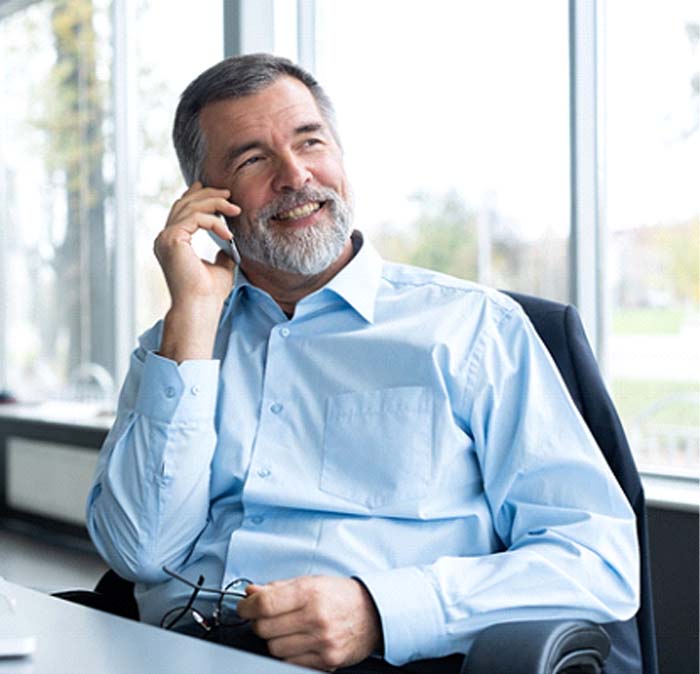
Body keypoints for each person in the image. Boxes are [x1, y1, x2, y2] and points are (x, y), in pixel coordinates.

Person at [86, 54, 639, 673]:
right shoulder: (177, 343)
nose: (295, 175)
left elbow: (596, 555)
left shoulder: (475, 329)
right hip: (175, 654)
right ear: (208, 202)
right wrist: (191, 319)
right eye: (252, 159)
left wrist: (382, 610)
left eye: (310, 142)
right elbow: (140, 552)